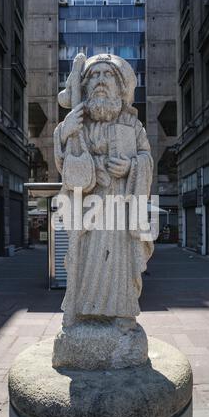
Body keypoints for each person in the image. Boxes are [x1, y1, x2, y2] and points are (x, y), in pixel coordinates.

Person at [54, 54, 154, 327]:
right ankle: (82, 311)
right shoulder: (76, 122)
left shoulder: (133, 125)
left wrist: (132, 166)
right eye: (94, 76)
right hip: (87, 209)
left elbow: (147, 158)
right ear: (84, 86)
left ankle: (122, 312)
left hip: (121, 208)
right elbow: (64, 164)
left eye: (107, 75)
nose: (100, 81)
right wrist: (64, 135)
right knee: (85, 260)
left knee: (120, 263)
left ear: (121, 86)